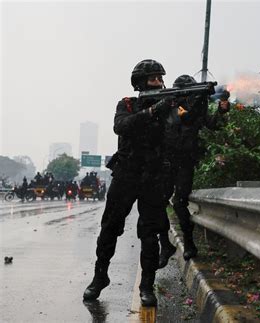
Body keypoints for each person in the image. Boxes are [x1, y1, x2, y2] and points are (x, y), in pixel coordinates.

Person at [83, 59, 174, 307]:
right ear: (139, 82)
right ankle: (100, 277)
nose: (158, 82)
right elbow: (120, 126)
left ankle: (147, 285)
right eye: (152, 78)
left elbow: (181, 130)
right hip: (126, 175)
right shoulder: (127, 104)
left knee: (149, 233)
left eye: (160, 78)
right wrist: (152, 111)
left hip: (153, 177)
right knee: (110, 228)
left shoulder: (168, 107)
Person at [157, 75, 229, 268]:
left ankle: (189, 242)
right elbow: (182, 117)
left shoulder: (197, 108)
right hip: (167, 161)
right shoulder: (170, 106)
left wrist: (222, 109)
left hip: (185, 161)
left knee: (180, 202)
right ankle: (165, 244)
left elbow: (213, 124)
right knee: (159, 203)